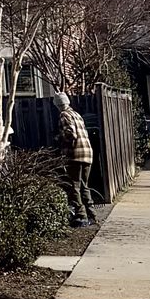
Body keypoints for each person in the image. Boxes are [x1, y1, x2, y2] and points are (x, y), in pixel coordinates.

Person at [56, 97, 96, 227]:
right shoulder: (77, 114)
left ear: (57, 105)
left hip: (75, 154)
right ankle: (92, 214)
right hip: (87, 152)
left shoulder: (64, 115)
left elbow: (70, 134)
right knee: (85, 185)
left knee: (75, 185)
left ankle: (81, 216)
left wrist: (59, 137)